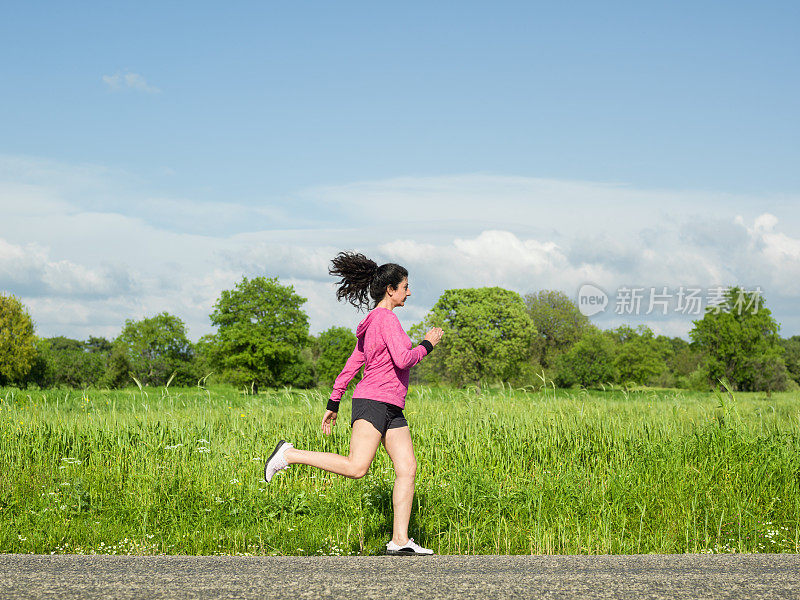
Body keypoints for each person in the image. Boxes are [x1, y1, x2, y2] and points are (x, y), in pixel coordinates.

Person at [264, 251, 443, 556]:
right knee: (357, 467)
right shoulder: (386, 319)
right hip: (373, 401)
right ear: (391, 289)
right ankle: (289, 454)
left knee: (407, 468)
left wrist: (334, 400)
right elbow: (404, 358)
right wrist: (428, 343)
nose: (409, 292)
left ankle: (400, 540)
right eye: (405, 286)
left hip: (390, 405)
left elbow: (353, 363)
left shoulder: (372, 322)